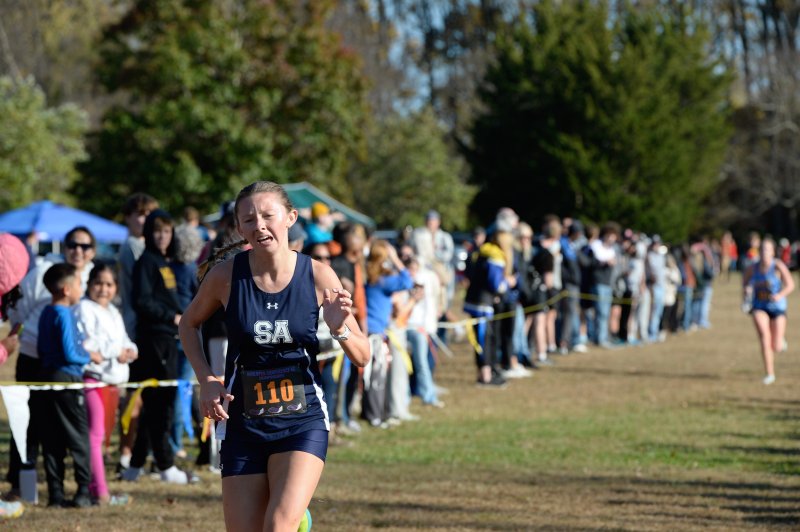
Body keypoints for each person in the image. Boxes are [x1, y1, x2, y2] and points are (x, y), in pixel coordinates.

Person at [178, 181, 370, 531]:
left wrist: (340, 328)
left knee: (278, 525)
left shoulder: (317, 275)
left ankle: (292, 517)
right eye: (249, 219)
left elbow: (363, 355)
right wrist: (207, 379)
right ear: (239, 228)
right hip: (243, 420)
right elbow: (188, 325)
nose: (259, 225)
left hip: (302, 418)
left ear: (290, 218)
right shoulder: (225, 277)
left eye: (268, 215)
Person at [6, 226, 97, 500]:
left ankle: (56, 491)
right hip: (38, 361)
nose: (77, 250)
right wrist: (85, 356)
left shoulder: (92, 276)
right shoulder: (41, 276)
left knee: (55, 431)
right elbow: (17, 309)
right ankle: (22, 484)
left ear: (92, 250)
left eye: (84, 246)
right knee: (29, 426)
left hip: (60, 367)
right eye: (72, 244)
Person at [122, 209, 195, 484]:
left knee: (157, 402)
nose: (162, 236)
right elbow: (142, 301)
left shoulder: (164, 262)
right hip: (154, 340)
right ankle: (165, 464)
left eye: (166, 230)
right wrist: (172, 317)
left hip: (168, 338)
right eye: (157, 231)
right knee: (161, 404)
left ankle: (135, 466)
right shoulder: (146, 263)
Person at [38, 263, 103, 508]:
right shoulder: (63, 314)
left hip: (47, 377)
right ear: (66, 289)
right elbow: (70, 352)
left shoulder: (46, 312)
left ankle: (56, 494)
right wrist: (90, 356)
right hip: (67, 379)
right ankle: (83, 493)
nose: (82, 288)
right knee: (78, 437)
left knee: (52, 438)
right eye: (78, 284)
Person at [75, 264, 136, 505]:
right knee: (95, 435)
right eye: (98, 283)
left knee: (103, 436)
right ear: (89, 285)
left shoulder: (113, 311)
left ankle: (95, 487)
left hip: (112, 381)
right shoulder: (84, 308)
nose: (103, 289)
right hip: (92, 378)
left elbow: (124, 339)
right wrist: (117, 351)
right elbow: (90, 343)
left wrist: (131, 350)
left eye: (109, 284)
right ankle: (100, 492)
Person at [742, 237, 794, 385]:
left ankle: (780, 341)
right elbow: (744, 282)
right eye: (762, 249)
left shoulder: (778, 266)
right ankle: (769, 373)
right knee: (764, 337)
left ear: (772, 252)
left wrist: (779, 295)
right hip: (759, 306)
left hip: (777, 308)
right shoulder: (753, 268)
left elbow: (790, 285)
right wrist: (746, 294)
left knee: (776, 346)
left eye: (767, 249)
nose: (764, 252)